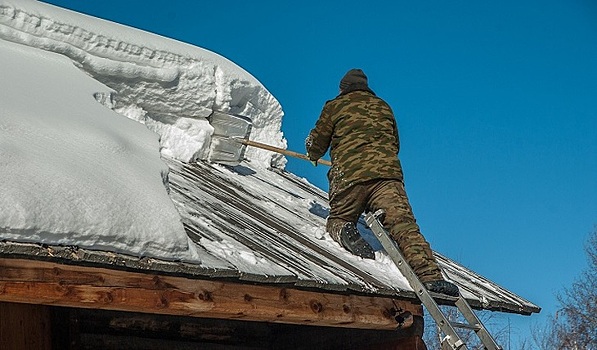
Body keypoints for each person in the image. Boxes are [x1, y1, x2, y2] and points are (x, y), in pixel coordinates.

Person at [305, 68, 459, 297]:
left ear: (343, 88)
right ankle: (431, 276)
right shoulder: (384, 106)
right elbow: (394, 143)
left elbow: (317, 142)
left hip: (349, 176)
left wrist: (312, 154)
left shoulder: (335, 106)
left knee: (339, 217)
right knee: (404, 226)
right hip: (387, 177)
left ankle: (346, 230)